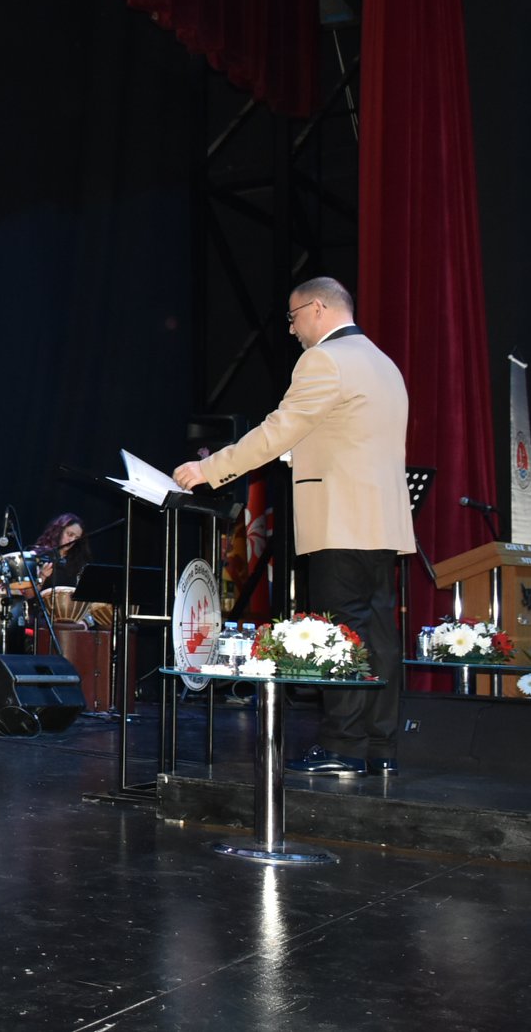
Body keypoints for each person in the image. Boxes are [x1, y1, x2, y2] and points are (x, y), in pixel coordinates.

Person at [174, 276, 413, 777]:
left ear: (318, 309)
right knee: (379, 634)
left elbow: (278, 429)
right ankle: (380, 746)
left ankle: (343, 745)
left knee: (342, 632)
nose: (291, 329)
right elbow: (346, 436)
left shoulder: (324, 359)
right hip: (383, 522)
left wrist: (210, 468)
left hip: (340, 519)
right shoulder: (383, 363)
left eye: (293, 316)